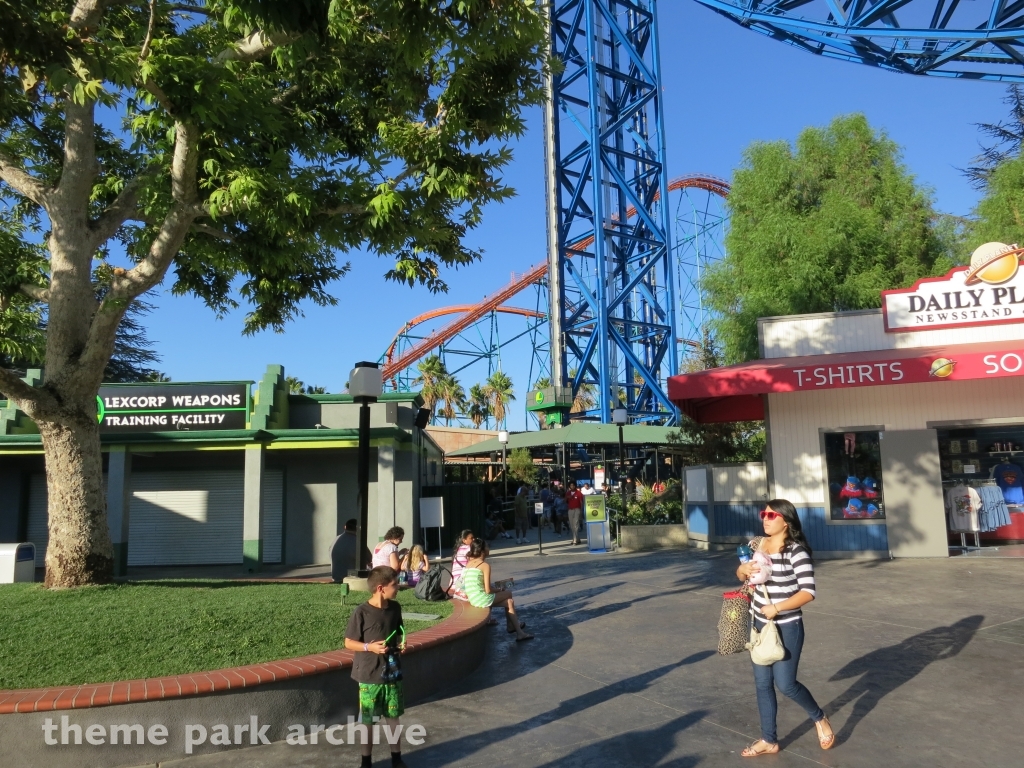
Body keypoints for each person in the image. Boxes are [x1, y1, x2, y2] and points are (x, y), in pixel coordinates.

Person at [735, 499, 835, 757]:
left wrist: (777, 609)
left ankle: (819, 717)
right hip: (759, 624)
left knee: (786, 684)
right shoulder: (755, 545)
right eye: (763, 514)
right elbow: (743, 576)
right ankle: (769, 739)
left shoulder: (796, 552)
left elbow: (808, 592)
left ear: (786, 521)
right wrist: (742, 569)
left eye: (771, 515)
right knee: (762, 684)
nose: (765, 519)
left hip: (787, 626)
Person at [343, 565, 409, 768]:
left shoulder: (395, 608)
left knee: (393, 717)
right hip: (369, 674)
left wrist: (401, 643)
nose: (398, 587)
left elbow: (399, 630)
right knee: (369, 720)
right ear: (381, 588)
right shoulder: (361, 612)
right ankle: (366, 762)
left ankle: (396, 758)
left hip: (392, 672)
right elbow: (348, 642)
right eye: (394, 584)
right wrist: (368, 647)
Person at [462, 539, 532, 641]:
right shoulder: (485, 566)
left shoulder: (469, 564)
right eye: (487, 546)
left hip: (473, 598)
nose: (489, 548)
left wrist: (498, 590)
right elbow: (488, 591)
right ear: (482, 551)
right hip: (482, 599)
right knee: (508, 593)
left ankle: (518, 632)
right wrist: (499, 590)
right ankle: (511, 626)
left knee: (509, 602)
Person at [448, 529, 474, 601]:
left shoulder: (459, 549)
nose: (473, 540)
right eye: (471, 538)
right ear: (464, 540)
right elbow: (474, 561)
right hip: (461, 585)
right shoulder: (467, 548)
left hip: (453, 584)